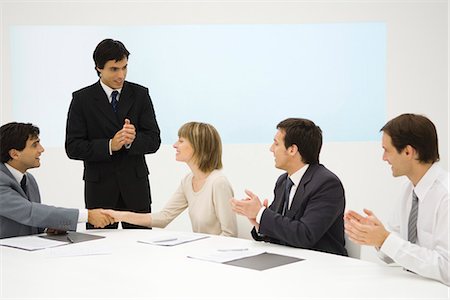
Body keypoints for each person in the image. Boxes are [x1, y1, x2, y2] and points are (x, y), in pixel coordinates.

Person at [65, 39, 161, 229]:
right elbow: (73, 147)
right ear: (98, 68)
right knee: (100, 249)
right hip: (100, 189)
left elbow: (154, 140)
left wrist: (131, 141)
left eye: (124, 67)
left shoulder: (140, 94)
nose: (121, 75)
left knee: (141, 247)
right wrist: (110, 145)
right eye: (114, 69)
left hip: (135, 188)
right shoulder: (81, 99)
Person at [344, 113, 449, 285]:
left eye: (387, 150)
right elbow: (396, 250)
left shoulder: (446, 196)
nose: (383, 158)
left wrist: (385, 239)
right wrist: (376, 236)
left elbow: (446, 268)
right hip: (411, 285)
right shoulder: (409, 190)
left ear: (408, 152)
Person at [231, 118, 347, 255]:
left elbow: (305, 235)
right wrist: (259, 222)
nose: (271, 149)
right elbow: (283, 231)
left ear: (292, 150)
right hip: (291, 263)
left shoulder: (327, 184)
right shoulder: (283, 181)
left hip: (322, 267)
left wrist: (261, 214)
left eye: (276, 144)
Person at [104, 122, 237, 237]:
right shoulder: (188, 180)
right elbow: (163, 218)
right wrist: (117, 215)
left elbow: (230, 234)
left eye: (181, 140)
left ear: (198, 146)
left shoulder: (218, 182)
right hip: (200, 253)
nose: (174, 145)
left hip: (214, 257)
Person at [0, 122, 113, 239]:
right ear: (14, 154)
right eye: (34, 145)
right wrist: (87, 216)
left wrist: (49, 227)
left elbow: (31, 221)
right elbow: (29, 212)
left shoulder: (29, 179)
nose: (41, 149)